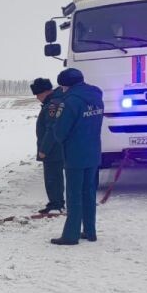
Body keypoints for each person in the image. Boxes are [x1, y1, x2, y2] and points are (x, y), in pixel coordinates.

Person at [50, 67, 104, 245]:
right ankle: (90, 231)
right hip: (93, 152)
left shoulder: (70, 102)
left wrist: (55, 124)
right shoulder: (96, 96)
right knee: (89, 192)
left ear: (66, 86)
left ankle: (70, 235)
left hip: (75, 155)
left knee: (74, 195)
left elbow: (60, 133)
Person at [31, 77, 65, 214]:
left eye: (38, 95)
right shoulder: (53, 102)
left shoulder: (53, 104)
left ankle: (56, 205)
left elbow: (51, 129)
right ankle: (56, 203)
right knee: (53, 177)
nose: (37, 98)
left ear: (45, 92)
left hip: (53, 149)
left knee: (53, 177)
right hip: (54, 148)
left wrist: (44, 149)